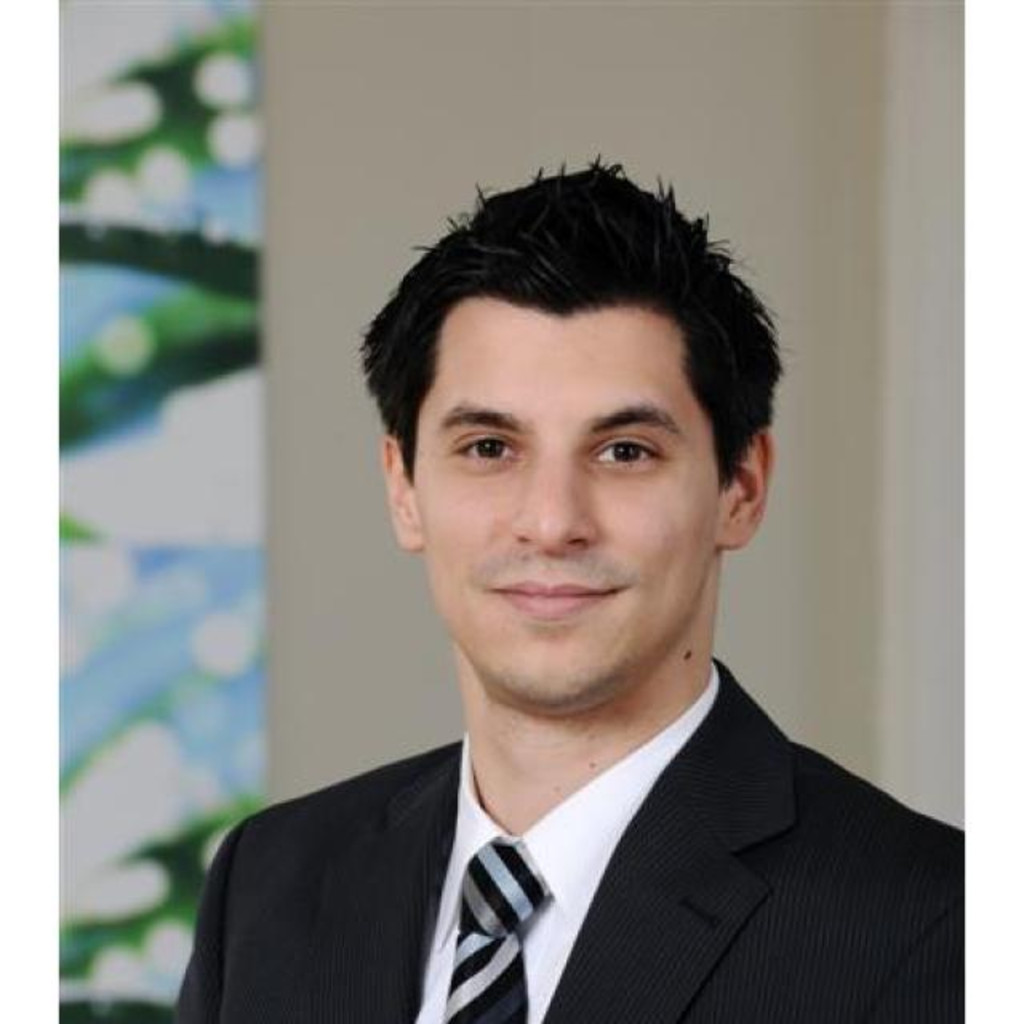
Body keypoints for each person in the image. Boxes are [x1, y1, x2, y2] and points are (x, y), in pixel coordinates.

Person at [176, 162, 963, 1023]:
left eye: (625, 452)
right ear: (403, 487)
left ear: (741, 487)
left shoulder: (935, 922)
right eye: (488, 448)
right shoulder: (270, 883)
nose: (552, 523)